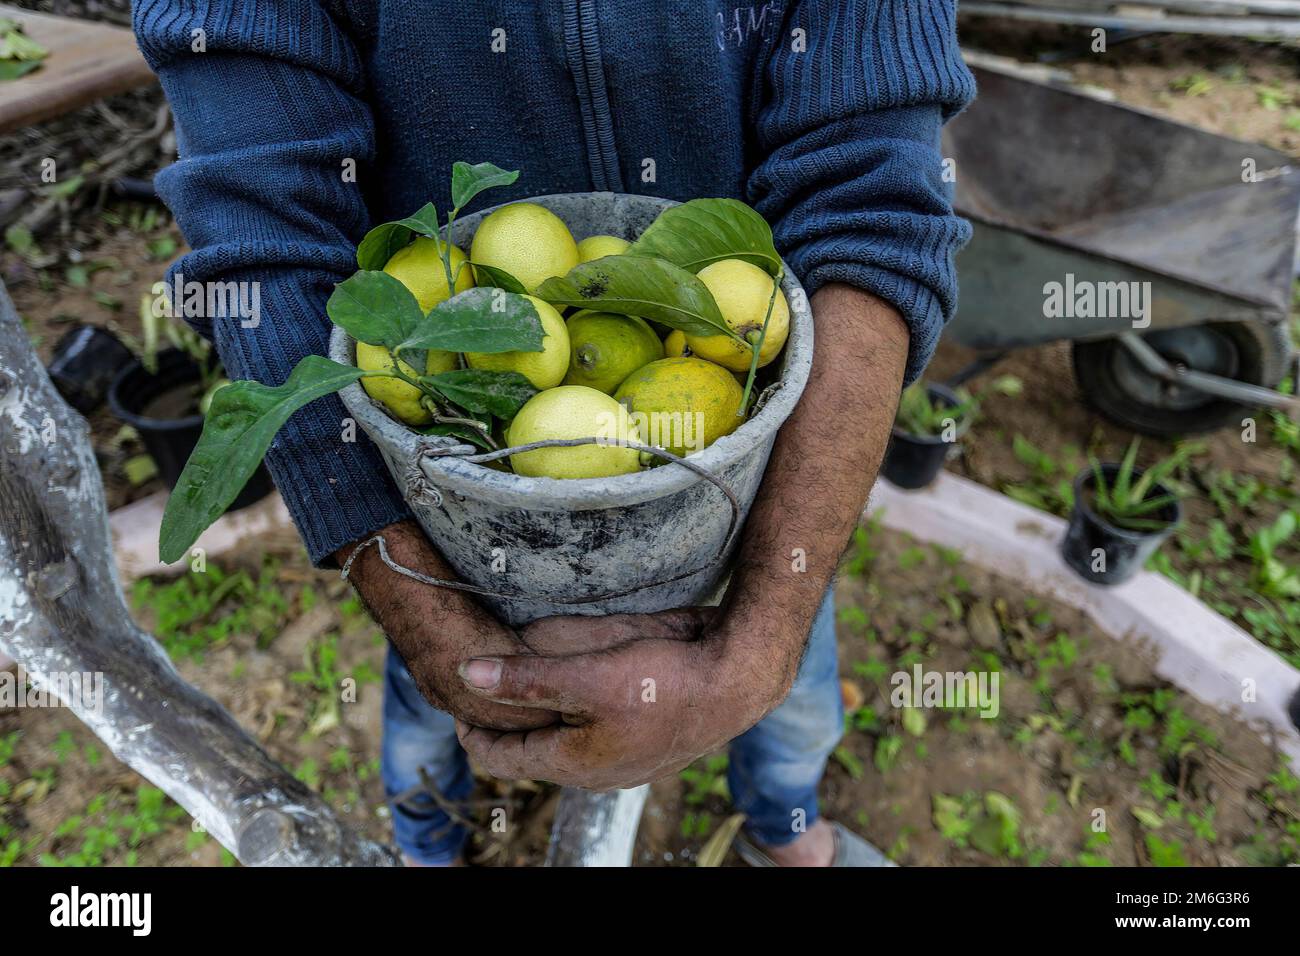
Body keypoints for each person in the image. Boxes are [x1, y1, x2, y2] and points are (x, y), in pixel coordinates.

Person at [134, 0, 975, 866]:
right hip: (451, 510)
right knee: (435, 709)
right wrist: (414, 596)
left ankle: (785, 829)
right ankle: (430, 843)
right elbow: (263, 232)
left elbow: (873, 204)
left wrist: (764, 634)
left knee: (792, 696)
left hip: (748, 475)